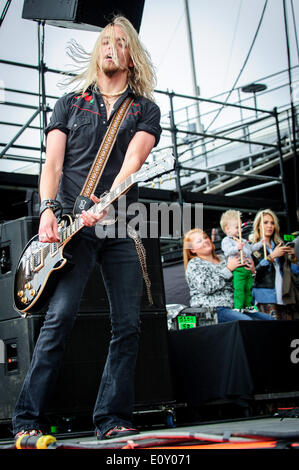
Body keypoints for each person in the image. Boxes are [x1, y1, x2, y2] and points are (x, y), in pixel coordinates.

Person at [12, 16, 162, 441]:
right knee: (58, 319)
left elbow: (133, 162)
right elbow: (53, 165)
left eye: (120, 42)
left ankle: (111, 418)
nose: (110, 46)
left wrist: (108, 200)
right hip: (69, 229)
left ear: (131, 55)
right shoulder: (70, 102)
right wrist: (47, 210)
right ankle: (27, 421)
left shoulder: (144, 109)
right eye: (106, 41)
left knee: (128, 324)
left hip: (118, 225)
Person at [183, 228, 274, 323]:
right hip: (212, 309)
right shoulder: (194, 264)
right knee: (247, 322)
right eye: (199, 241)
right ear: (192, 250)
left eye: (205, 237)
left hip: (235, 306)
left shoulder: (224, 258)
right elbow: (206, 287)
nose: (205, 241)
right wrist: (229, 269)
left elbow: (240, 284)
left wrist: (251, 272)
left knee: (270, 320)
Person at [250, 209, 299, 320]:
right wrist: (271, 257)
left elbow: (294, 273)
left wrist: (293, 258)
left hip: (284, 295)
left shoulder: (279, 245)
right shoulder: (251, 247)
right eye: (265, 222)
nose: (270, 226)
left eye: (272, 223)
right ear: (258, 225)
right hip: (264, 296)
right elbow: (253, 274)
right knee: (272, 333)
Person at [220, 210, 264, 312]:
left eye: (240, 227)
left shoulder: (243, 240)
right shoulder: (226, 240)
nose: (240, 229)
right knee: (239, 288)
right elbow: (227, 251)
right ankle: (238, 307)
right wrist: (237, 248)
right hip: (238, 269)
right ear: (227, 229)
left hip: (247, 268)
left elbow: (251, 248)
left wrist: (261, 243)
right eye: (237, 227)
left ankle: (248, 305)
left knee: (248, 288)